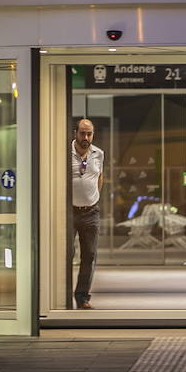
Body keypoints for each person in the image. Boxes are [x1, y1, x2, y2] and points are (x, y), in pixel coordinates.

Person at [70, 117, 104, 309]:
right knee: (66, 253)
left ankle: (82, 296)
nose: (86, 137)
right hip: (68, 212)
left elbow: (100, 177)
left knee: (89, 255)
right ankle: (60, 296)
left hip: (91, 211)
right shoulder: (64, 153)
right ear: (75, 133)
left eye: (89, 133)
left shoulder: (98, 154)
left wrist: (94, 197)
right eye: (82, 133)